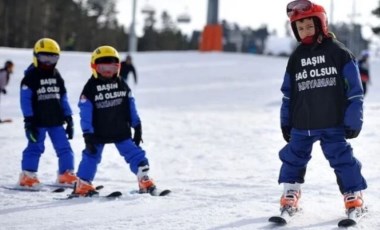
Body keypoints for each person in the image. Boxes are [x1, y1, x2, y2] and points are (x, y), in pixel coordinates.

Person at [277, 0, 367, 215]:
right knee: (293, 158)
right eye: (300, 27)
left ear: (321, 24)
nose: (305, 31)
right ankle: (291, 193)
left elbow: (355, 90)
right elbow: (288, 94)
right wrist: (286, 120)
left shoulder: (339, 52)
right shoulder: (296, 57)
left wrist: (353, 118)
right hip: (302, 123)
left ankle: (353, 195)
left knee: (342, 159)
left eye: (309, 26)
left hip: (331, 122)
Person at [73, 45, 158, 196]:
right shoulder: (90, 87)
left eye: (111, 68)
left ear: (118, 67)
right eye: (102, 68)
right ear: (94, 67)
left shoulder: (121, 84)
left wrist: (137, 125)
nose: (107, 72)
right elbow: (85, 112)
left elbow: (130, 105)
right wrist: (87, 134)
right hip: (98, 131)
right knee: (91, 156)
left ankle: (143, 178)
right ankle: (83, 184)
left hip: (120, 129)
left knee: (135, 153)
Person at [18, 38, 77, 188]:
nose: (48, 62)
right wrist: (28, 121)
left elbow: (63, 97)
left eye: (53, 58)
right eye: (44, 58)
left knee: (64, 147)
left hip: (56, 121)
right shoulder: (30, 77)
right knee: (35, 147)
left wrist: (68, 117)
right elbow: (25, 100)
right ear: (36, 56)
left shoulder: (56, 75)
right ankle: (27, 175)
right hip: (37, 121)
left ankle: (66, 174)